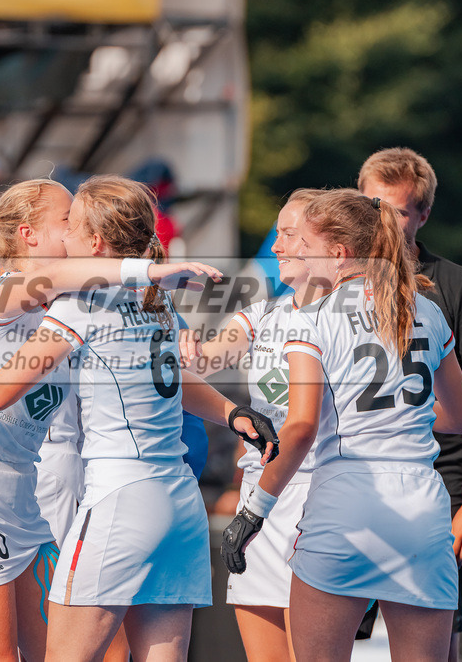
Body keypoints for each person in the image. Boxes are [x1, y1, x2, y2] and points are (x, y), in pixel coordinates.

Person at [0, 175, 263, 661]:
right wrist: (146, 272)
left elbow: (156, 370)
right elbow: (42, 305)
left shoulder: (81, 302)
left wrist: (232, 411)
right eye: (64, 219)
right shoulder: (8, 288)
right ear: (30, 235)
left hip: (26, 496)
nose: (72, 232)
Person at [223, 188, 462, 660]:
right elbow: (461, 417)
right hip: (422, 506)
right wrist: (402, 417)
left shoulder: (311, 316)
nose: (294, 251)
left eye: (306, 244)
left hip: (347, 502)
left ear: (338, 254)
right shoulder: (427, 310)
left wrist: (254, 511)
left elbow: (300, 429)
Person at [358, 147, 462, 658]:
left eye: (397, 209)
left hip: (437, 485)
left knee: (430, 647)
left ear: (422, 215)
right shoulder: (331, 284)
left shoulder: (458, 287)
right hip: (350, 487)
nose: (382, 219)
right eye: (371, 204)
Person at [182, 188, 326, 661]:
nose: (277, 245)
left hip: (320, 495)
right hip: (260, 496)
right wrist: (179, 337)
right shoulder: (263, 313)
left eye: (289, 234)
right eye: (278, 233)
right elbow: (202, 361)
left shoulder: (350, 316)